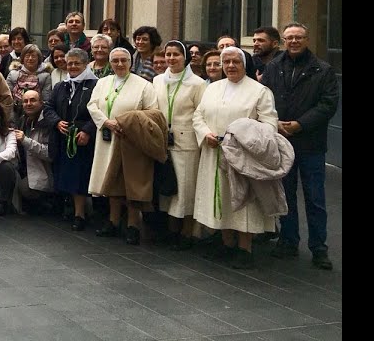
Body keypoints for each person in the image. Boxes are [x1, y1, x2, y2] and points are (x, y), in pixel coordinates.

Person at [193, 47, 280, 269]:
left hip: (243, 156)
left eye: (235, 61)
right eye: (226, 61)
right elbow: (198, 115)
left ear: (244, 64)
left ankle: (245, 248)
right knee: (220, 196)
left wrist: (243, 139)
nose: (230, 66)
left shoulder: (259, 91)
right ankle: (226, 243)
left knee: (243, 200)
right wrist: (205, 134)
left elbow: (269, 123)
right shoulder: (212, 88)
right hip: (214, 151)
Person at [263, 23, 339, 270]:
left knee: (314, 197)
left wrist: (300, 124)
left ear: (307, 40)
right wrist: (276, 123)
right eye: (289, 38)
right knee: (285, 195)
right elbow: (266, 98)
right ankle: (288, 240)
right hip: (282, 141)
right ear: (283, 41)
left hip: (311, 144)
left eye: (299, 37)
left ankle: (319, 248)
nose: (294, 41)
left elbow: (328, 105)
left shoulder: (323, 70)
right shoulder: (273, 67)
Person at [88, 47, 158, 244]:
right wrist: (106, 122)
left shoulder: (144, 85)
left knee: (131, 184)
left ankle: (133, 225)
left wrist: (128, 124)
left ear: (130, 62)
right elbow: (92, 105)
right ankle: (113, 220)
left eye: (123, 60)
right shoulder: (103, 82)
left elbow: (152, 112)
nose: (119, 64)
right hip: (106, 138)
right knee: (110, 182)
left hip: (131, 141)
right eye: (115, 60)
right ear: (110, 63)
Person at [153, 41, 207, 249]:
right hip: (163, 141)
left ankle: (187, 232)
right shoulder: (158, 80)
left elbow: (201, 112)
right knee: (169, 189)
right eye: (168, 54)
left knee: (186, 189)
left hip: (187, 142)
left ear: (184, 57)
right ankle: (171, 230)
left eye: (176, 54)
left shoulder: (197, 83)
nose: (172, 58)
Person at [46, 49, 98, 230]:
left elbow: (100, 111)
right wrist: (57, 122)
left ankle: (80, 214)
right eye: (70, 63)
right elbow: (49, 107)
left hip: (83, 139)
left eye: (77, 63)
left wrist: (87, 131)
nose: (73, 67)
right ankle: (68, 208)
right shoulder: (61, 86)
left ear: (86, 65)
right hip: (63, 137)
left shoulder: (95, 85)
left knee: (80, 178)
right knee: (64, 176)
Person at [14, 89, 53, 213]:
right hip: (27, 168)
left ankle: (49, 201)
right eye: (25, 101)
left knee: (24, 188)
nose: (28, 104)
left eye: (33, 100)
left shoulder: (48, 122)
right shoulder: (22, 120)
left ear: (41, 103)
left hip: (45, 171)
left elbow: (49, 154)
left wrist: (25, 140)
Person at [6, 43, 53, 121]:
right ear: (23, 58)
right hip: (14, 114)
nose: (30, 59)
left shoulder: (45, 76)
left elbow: (46, 99)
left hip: (37, 116)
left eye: (34, 56)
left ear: (39, 58)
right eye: (27, 56)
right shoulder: (13, 74)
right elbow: (7, 98)